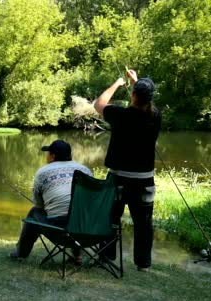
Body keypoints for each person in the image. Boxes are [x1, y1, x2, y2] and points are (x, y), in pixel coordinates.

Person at [93, 69, 161, 272]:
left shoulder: (121, 114)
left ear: (133, 96)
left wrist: (117, 83)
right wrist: (136, 83)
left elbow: (98, 104)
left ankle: (106, 256)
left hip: (117, 179)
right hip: (144, 182)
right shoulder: (155, 116)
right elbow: (144, 101)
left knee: (111, 219)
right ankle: (143, 264)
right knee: (143, 223)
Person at [10, 140, 93, 263]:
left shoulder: (43, 172)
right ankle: (77, 256)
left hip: (60, 232)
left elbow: (39, 204)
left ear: (53, 156)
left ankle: (21, 253)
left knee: (34, 212)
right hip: (88, 230)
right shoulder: (85, 170)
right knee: (76, 214)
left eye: (48, 153)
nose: (46, 156)